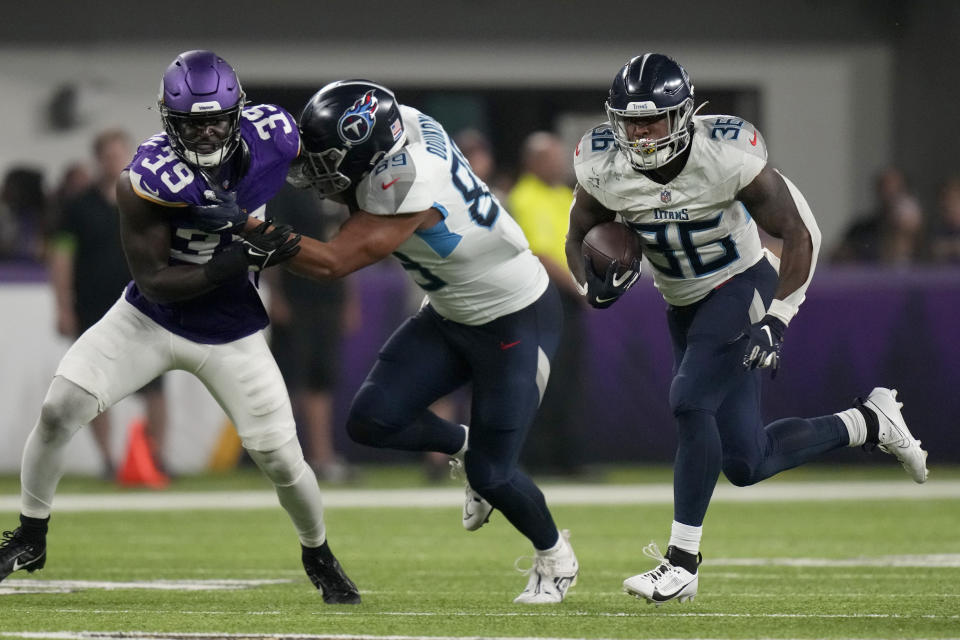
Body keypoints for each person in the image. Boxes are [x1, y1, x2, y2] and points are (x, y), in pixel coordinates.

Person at [565, 53, 929, 605]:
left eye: (653, 120)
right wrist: (589, 283)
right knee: (745, 461)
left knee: (689, 401)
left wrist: (778, 318)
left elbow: (799, 233)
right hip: (682, 303)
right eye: (630, 120)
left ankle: (681, 562)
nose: (640, 134)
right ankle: (868, 422)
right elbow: (578, 235)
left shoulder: (727, 154)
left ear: (684, 115)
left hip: (739, 283)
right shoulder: (600, 164)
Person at [0, 50, 360, 605]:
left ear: (239, 113)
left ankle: (319, 553)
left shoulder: (275, 133)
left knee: (283, 459)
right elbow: (156, 282)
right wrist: (242, 254)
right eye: (194, 122)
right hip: (150, 317)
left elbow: (317, 173)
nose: (209, 131)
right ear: (170, 121)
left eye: (218, 119)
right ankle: (30, 532)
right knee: (58, 409)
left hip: (232, 329)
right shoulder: (145, 177)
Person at [284, 80, 579, 603]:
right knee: (371, 420)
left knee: (494, 474)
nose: (318, 170)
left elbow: (333, 262)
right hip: (450, 312)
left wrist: (249, 235)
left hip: (515, 317)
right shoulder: (403, 124)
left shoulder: (407, 179)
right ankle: (463, 444)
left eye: (330, 159)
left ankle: (555, 556)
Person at [48, 128, 168, 480]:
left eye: (119, 154)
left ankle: (156, 457)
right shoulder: (77, 207)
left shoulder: (148, 200)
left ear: (128, 156)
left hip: (145, 306)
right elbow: (62, 257)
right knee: (93, 386)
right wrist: (63, 306)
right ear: (97, 159)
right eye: (107, 155)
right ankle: (108, 461)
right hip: (93, 307)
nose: (113, 161)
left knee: (156, 386)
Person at [265, 182, 357, 483]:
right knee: (291, 379)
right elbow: (271, 242)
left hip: (329, 295)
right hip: (297, 295)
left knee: (321, 377)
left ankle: (321, 456)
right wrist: (276, 295)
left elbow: (349, 245)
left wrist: (348, 297)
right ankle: (282, 458)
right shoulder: (285, 189)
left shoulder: (336, 187)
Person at [508, 131, 587, 476]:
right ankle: (538, 459)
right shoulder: (524, 196)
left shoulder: (561, 195)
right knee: (542, 377)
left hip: (568, 297)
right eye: (551, 158)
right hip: (544, 296)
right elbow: (539, 252)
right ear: (533, 162)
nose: (559, 164)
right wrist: (578, 286)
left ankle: (567, 457)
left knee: (569, 378)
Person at [832, 167, 926, 265]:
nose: (888, 196)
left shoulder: (922, 236)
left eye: (895, 190)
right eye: (884, 189)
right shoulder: (861, 231)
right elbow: (838, 258)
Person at [927, 175, 960, 264]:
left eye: (954, 201)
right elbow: (934, 250)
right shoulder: (936, 228)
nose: (949, 206)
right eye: (946, 200)